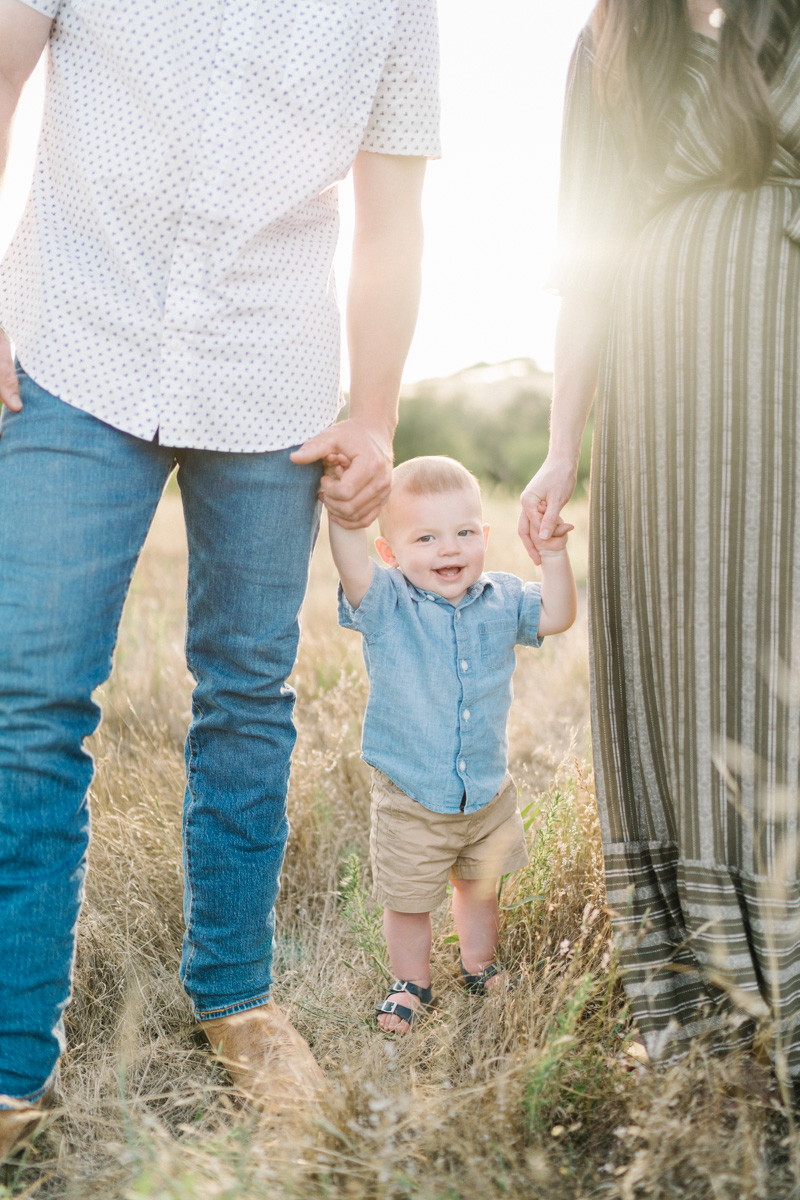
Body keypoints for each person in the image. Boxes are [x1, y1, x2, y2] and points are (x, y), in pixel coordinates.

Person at [0, 0, 440, 1153]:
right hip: (74, 337)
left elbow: (394, 210)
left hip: (271, 372)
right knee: (32, 709)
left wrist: (377, 411)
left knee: (248, 700)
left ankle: (237, 1000)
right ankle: (6, 1056)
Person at [520, 0, 800, 1076]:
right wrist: (558, 446)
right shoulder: (606, 48)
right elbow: (582, 269)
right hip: (660, 391)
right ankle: (702, 980)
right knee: (682, 643)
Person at [330, 455, 576, 1032]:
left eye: (465, 532)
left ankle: (479, 965)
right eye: (426, 537)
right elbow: (351, 564)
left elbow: (559, 615)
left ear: (484, 536)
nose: (450, 549)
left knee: (479, 887)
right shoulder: (388, 602)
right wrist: (345, 513)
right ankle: (411, 981)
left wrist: (557, 555)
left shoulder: (502, 598)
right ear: (390, 552)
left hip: (485, 792)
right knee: (409, 899)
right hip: (412, 793)